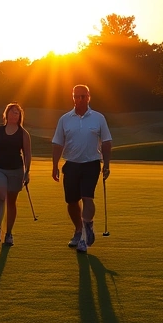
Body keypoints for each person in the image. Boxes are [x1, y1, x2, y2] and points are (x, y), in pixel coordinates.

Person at [52, 84, 112, 253]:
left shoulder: (98, 118)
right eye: (76, 96)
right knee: (71, 201)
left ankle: (86, 233)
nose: (80, 99)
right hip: (71, 164)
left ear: (89, 97)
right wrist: (54, 165)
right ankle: (79, 230)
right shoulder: (65, 119)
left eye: (83, 96)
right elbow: (58, 143)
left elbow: (107, 142)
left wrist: (106, 165)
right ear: (73, 97)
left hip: (91, 163)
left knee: (87, 197)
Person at [0, 102, 32, 246]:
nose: (14, 114)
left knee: (11, 201)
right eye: (11, 111)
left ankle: (9, 233)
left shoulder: (23, 133)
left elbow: (27, 154)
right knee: (1, 197)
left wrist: (27, 171)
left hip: (16, 170)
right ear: (6, 114)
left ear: (20, 116)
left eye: (17, 112)